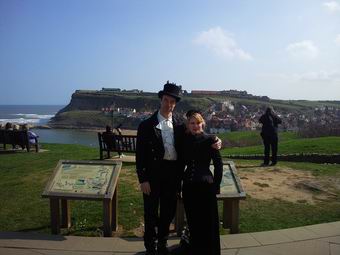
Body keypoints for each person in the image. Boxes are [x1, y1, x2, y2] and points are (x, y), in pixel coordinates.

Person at [136, 81, 221, 255]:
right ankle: (150, 246)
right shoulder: (145, 125)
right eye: (166, 100)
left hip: (172, 175)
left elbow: (198, 134)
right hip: (152, 175)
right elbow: (140, 156)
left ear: (175, 104)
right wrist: (143, 179)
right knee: (151, 212)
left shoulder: (180, 126)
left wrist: (218, 140)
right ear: (161, 100)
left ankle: (162, 244)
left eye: (172, 102)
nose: (169, 104)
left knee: (168, 212)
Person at [182, 111, 223, 255]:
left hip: (206, 187)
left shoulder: (211, 139)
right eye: (192, 123)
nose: (195, 126)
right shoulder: (185, 140)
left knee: (208, 222)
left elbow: (218, 164)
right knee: (193, 221)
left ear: (203, 124)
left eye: (198, 123)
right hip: (188, 187)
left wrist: (216, 185)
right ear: (188, 125)